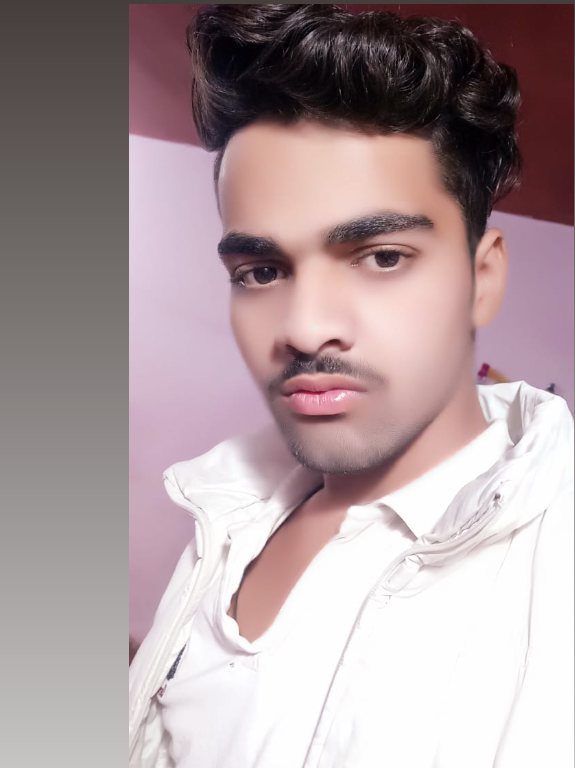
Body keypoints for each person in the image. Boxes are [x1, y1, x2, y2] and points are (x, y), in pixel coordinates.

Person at [129, 5, 574, 767]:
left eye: (380, 257)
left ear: (481, 277)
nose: (304, 328)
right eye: (260, 271)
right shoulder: (222, 511)